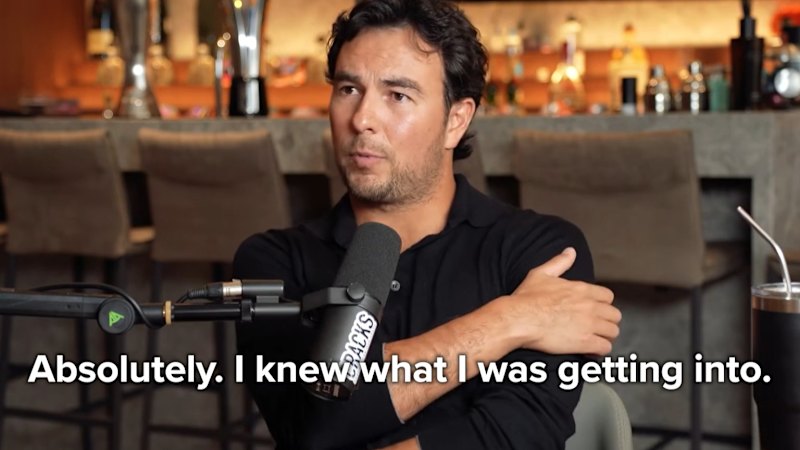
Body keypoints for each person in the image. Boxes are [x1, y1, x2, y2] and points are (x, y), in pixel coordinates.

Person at [234, 0, 620, 448]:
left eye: (397, 95)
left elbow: (509, 437)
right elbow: (313, 423)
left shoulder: (543, 254)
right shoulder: (272, 263)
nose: (362, 119)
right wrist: (509, 320)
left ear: (456, 120)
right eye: (349, 89)